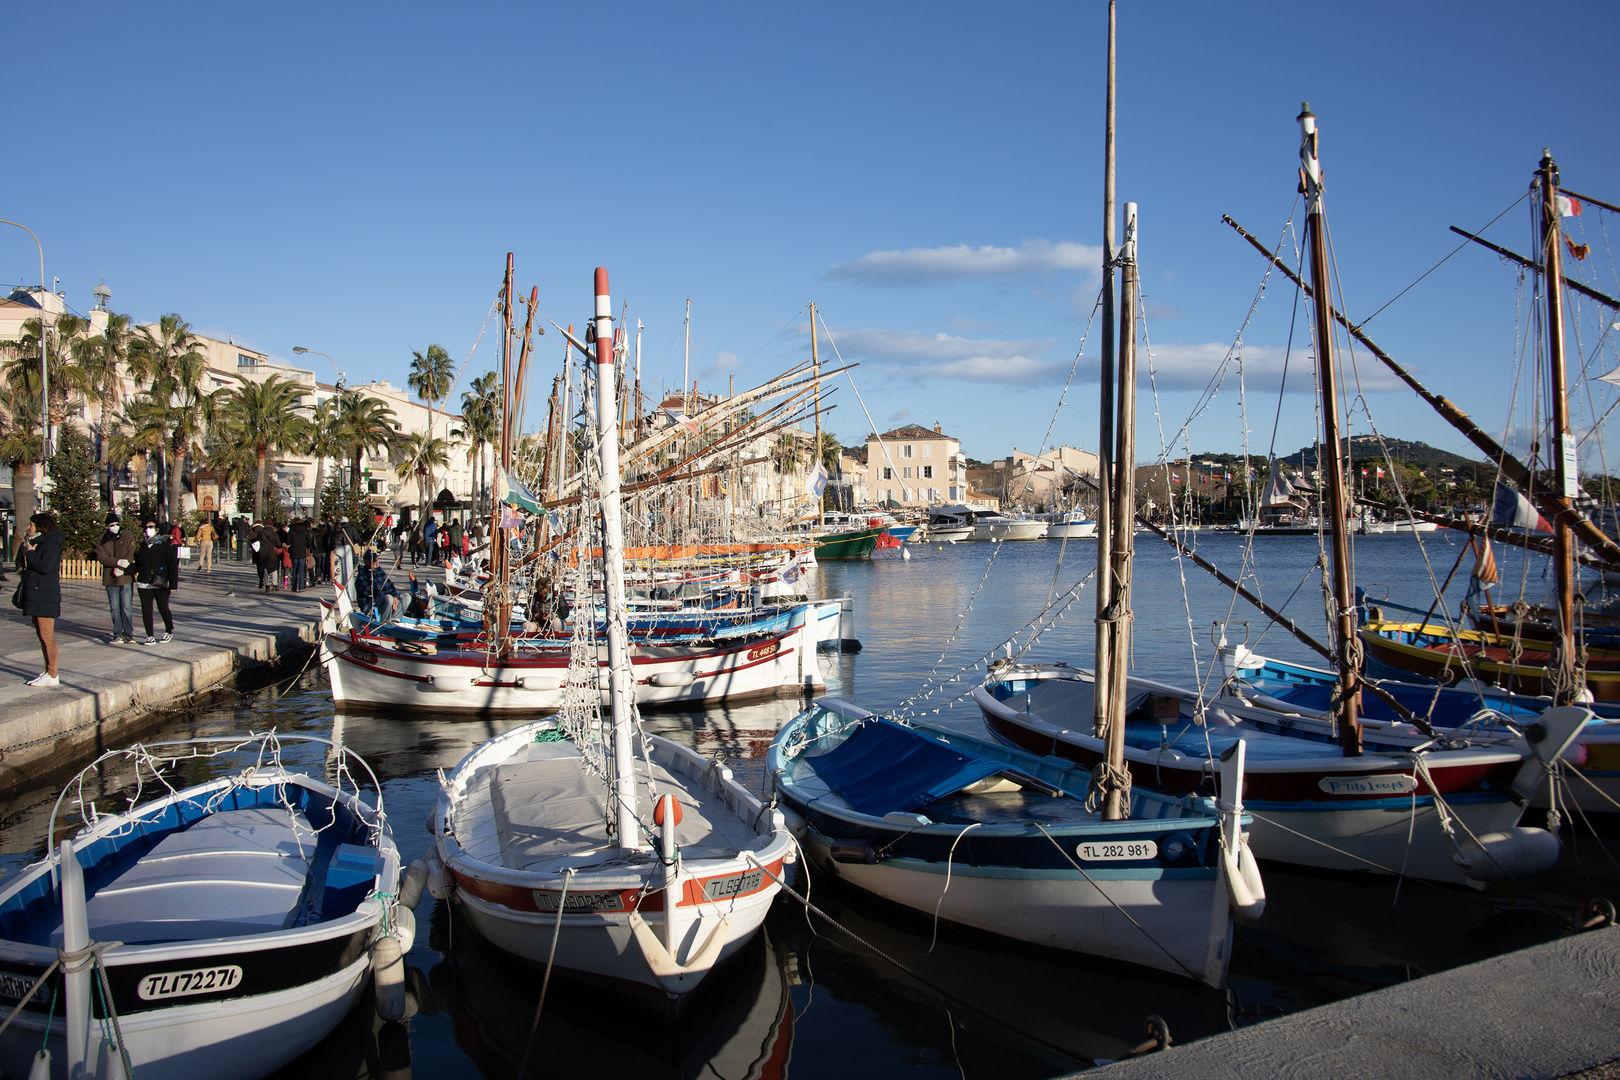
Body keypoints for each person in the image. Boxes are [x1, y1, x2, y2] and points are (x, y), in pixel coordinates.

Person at [17, 511, 64, 685]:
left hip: (45, 595)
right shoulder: (37, 543)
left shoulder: (50, 544)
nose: (29, 528)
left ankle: (52, 674)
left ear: (40, 527)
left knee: (47, 635)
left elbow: (45, 567)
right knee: (42, 635)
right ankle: (47, 671)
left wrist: (30, 553)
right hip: (38, 594)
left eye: (31, 525)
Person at [93, 511, 137, 644]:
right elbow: (102, 557)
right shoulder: (100, 540)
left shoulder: (127, 535)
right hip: (110, 578)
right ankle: (117, 633)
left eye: (117, 524)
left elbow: (131, 552)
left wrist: (123, 567)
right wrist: (117, 562)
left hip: (125, 577)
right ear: (107, 526)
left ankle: (128, 633)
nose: (115, 527)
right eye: (112, 525)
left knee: (126, 606)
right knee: (115, 607)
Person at [134, 518, 179, 645]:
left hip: (160, 582)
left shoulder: (164, 545)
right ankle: (149, 635)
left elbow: (172, 565)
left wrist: (173, 584)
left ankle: (169, 630)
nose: (149, 530)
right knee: (146, 610)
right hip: (144, 582)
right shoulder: (143, 545)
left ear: (157, 529)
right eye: (147, 527)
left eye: (151, 527)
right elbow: (138, 563)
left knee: (163, 608)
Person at [354, 550, 400, 622]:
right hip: (369, 605)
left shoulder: (380, 570)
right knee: (388, 598)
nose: (375, 560)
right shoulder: (363, 574)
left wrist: (395, 597)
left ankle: (395, 619)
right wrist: (389, 598)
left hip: (384, 600)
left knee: (406, 597)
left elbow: (390, 585)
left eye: (376, 558)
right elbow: (371, 593)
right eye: (372, 559)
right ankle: (385, 621)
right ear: (366, 561)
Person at [252, 519, 280, 590]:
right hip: (272, 553)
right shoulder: (274, 533)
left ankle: (267, 584)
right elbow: (278, 544)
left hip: (263, 553)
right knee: (274, 568)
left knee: (265, 569)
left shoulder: (261, 533)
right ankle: (275, 584)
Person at [288, 517, 310, 592]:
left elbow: (288, 541)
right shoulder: (305, 530)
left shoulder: (291, 530)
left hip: (294, 551)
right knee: (301, 570)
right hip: (302, 551)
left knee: (294, 570)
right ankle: (301, 587)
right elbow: (309, 540)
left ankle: (294, 586)